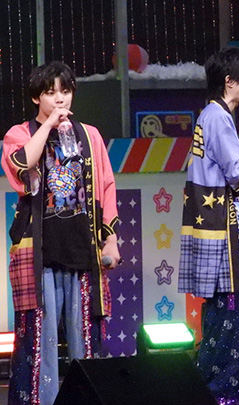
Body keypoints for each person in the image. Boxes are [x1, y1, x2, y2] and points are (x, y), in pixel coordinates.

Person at [2, 61, 121, 405]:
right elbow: (21, 166)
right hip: (39, 252)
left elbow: (106, 187)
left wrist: (111, 238)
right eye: (50, 93)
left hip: (82, 249)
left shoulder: (90, 135)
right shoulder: (20, 132)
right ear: (36, 97)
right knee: (39, 342)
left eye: (65, 92)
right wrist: (49, 125)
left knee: (86, 339)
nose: (59, 99)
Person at [178, 47, 239, 404]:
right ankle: (228, 393)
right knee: (235, 308)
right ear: (229, 81)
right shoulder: (217, 117)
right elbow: (238, 176)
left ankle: (223, 389)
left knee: (226, 308)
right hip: (225, 224)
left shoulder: (213, 115)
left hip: (220, 221)